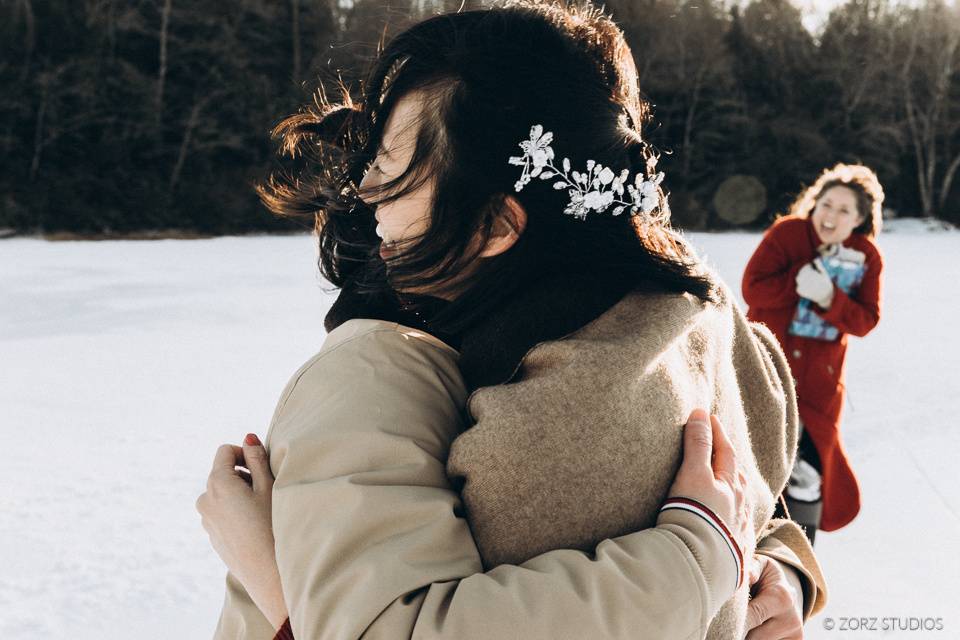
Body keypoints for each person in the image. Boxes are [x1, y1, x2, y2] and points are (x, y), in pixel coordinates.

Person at [197, 2, 827, 639]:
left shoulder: (395, 378)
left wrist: (277, 587)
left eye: (390, 168)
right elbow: (744, 483)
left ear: (495, 226)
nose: (363, 190)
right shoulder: (684, 320)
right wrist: (783, 568)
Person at [742, 163, 884, 544]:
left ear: (859, 219)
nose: (831, 216)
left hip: (818, 389)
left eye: (844, 210)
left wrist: (828, 297)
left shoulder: (866, 257)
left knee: (807, 476)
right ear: (814, 203)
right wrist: (797, 281)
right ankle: (748, 554)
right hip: (765, 371)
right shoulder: (788, 234)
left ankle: (797, 569)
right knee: (754, 466)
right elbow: (752, 290)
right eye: (826, 204)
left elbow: (866, 320)